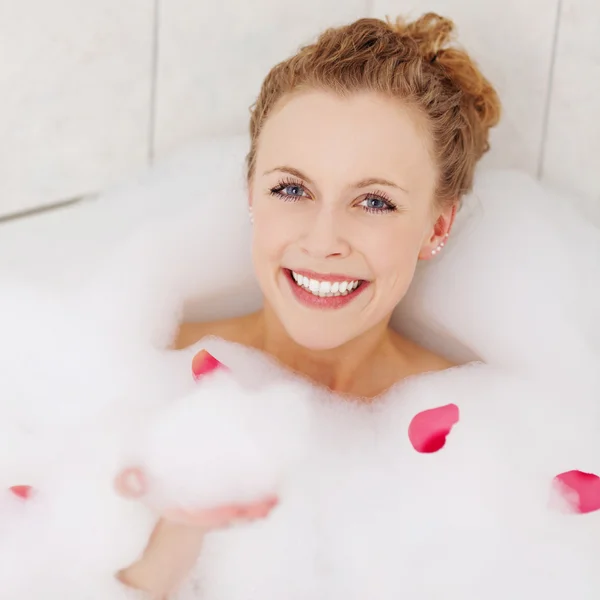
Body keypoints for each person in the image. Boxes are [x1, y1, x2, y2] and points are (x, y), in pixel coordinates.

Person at [115, 11, 501, 598]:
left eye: (374, 202)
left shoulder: (487, 431)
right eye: (292, 189)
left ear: (436, 226)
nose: (322, 242)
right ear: (251, 193)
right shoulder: (138, 368)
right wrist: (173, 544)